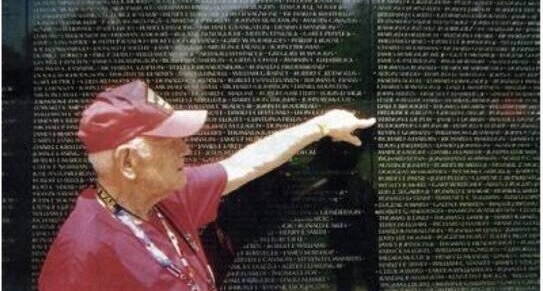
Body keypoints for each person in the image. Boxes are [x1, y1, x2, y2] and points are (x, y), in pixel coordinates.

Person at [38, 80, 376, 291]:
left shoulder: (169, 196)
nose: (186, 148)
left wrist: (319, 126)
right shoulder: (80, 253)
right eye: (170, 141)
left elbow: (246, 163)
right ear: (128, 163)